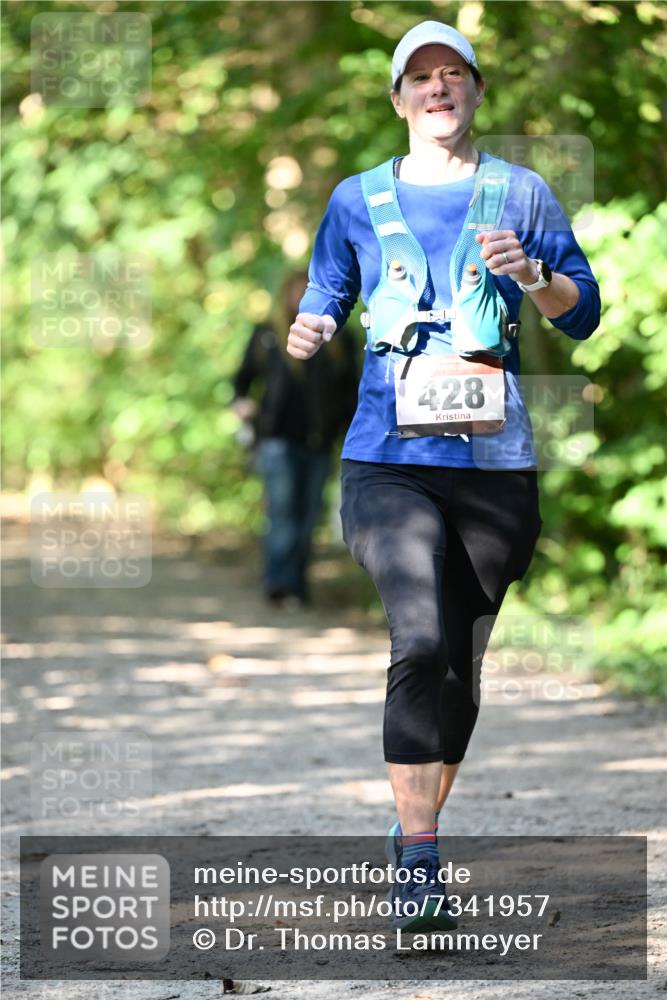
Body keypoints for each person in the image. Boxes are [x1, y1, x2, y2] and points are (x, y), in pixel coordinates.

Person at [287, 21, 600, 929]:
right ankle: (420, 861)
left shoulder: (521, 192)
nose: (435, 88)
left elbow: (581, 316)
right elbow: (326, 292)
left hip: (495, 465)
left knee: (460, 663)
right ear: (397, 99)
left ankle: (411, 828)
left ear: (473, 92)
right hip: (387, 460)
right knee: (417, 636)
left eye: (451, 75)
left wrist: (534, 273)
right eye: (418, 77)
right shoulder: (355, 198)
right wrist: (312, 329)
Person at [232, 270, 358, 608]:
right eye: (296, 289)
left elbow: (351, 394)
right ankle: (279, 584)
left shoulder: (338, 340)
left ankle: (298, 587)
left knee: (308, 517)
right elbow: (242, 380)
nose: (301, 295)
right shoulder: (267, 335)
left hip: (319, 441)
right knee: (283, 514)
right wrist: (242, 405)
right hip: (276, 440)